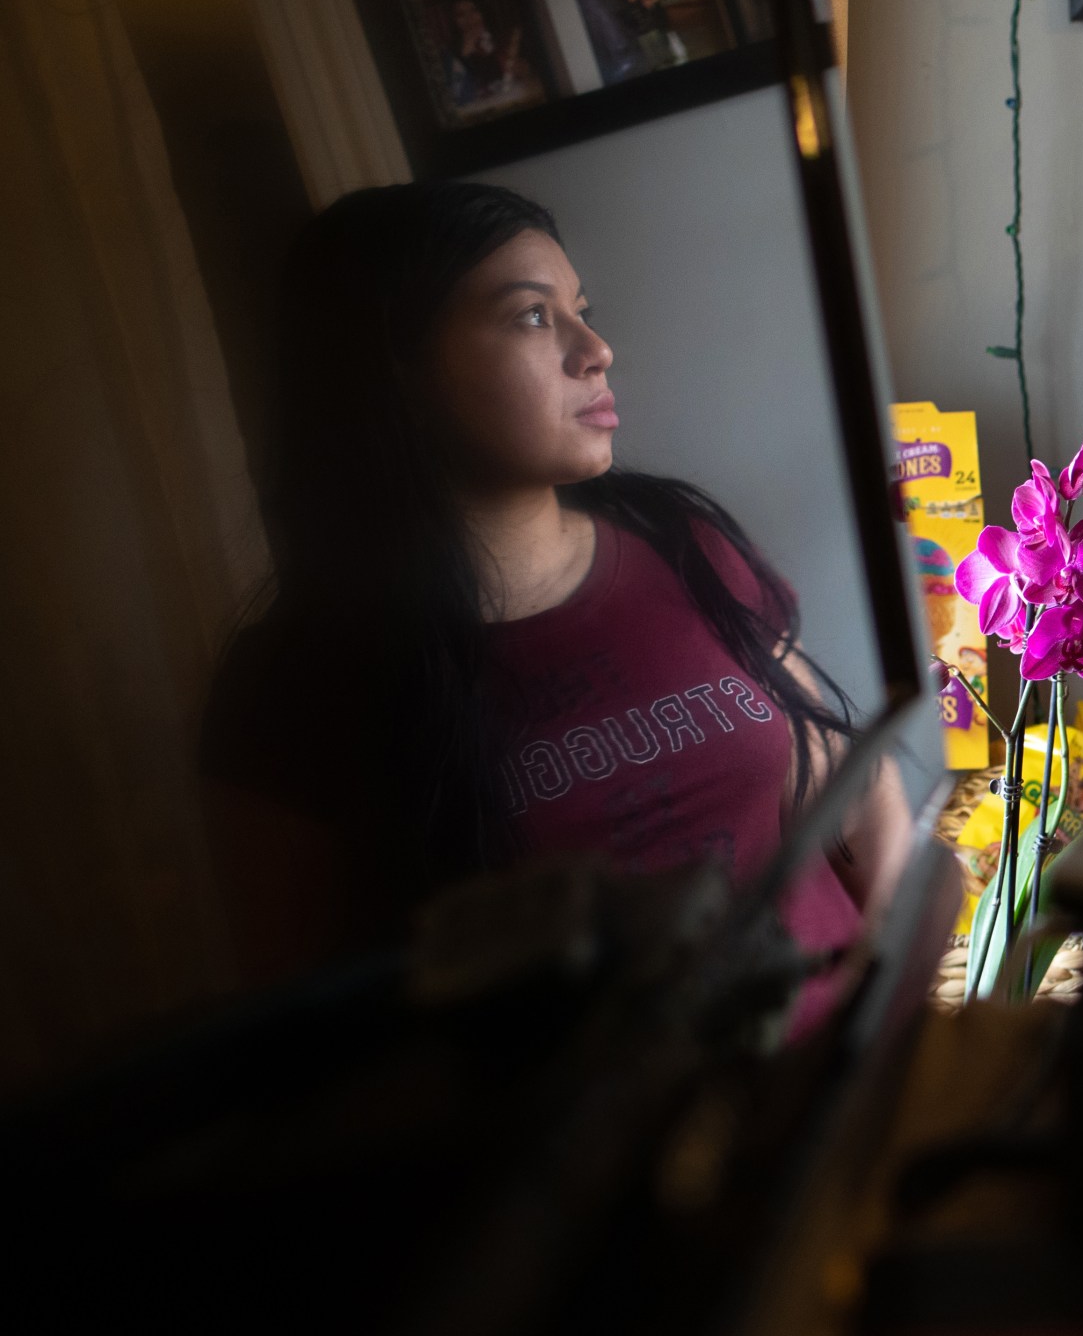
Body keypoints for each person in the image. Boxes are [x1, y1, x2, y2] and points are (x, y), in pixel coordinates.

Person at [201, 183, 907, 1007]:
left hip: (847, 1072)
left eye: (582, 309)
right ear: (397, 370)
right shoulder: (292, 689)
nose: (596, 348)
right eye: (533, 316)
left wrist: (886, 981)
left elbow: (849, 796)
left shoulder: (682, 542)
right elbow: (303, 1028)